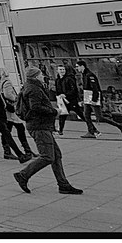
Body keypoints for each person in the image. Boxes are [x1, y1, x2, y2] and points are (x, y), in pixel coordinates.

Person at [13, 67, 83, 195]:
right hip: (39, 126)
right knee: (47, 156)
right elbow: (36, 107)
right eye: (40, 75)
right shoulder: (34, 89)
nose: (42, 76)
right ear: (36, 76)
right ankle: (23, 175)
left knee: (56, 156)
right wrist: (54, 111)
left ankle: (63, 185)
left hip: (40, 125)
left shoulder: (31, 86)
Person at [76, 59, 122, 138]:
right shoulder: (84, 75)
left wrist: (94, 100)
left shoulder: (90, 75)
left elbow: (95, 88)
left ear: (82, 66)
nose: (77, 68)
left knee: (99, 117)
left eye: (78, 67)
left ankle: (121, 126)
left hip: (92, 98)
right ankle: (91, 131)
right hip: (87, 98)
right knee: (86, 115)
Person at [0, 67, 35, 160]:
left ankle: (8, 151)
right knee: (19, 128)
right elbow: (8, 94)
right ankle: (26, 150)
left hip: (7, 110)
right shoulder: (7, 81)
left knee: (8, 130)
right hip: (12, 109)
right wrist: (17, 99)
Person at [55, 64, 84, 136]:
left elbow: (74, 90)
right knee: (62, 115)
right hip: (63, 101)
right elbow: (58, 90)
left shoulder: (69, 79)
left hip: (71, 100)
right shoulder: (57, 80)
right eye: (60, 69)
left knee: (81, 114)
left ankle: (92, 128)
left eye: (63, 69)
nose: (62, 71)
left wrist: (66, 94)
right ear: (57, 71)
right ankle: (60, 130)